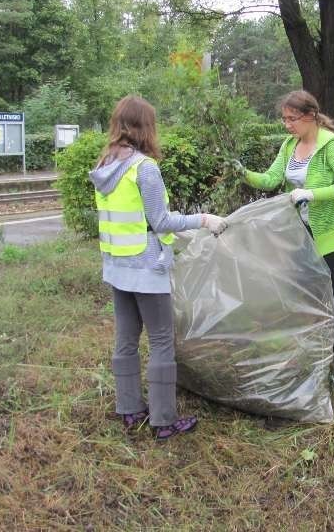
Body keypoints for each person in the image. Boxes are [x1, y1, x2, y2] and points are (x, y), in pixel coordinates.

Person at [89, 95, 228, 441]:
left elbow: (138, 220)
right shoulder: (143, 167)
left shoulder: (106, 163)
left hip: (117, 265)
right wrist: (204, 219)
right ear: (144, 126)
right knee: (163, 341)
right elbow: (160, 219)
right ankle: (164, 420)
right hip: (147, 268)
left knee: (126, 340)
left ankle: (129, 409)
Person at [231, 90, 334, 386]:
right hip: (301, 232)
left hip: (333, 233)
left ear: (310, 116)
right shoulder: (289, 145)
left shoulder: (332, 145)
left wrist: (311, 194)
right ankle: (311, 356)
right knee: (300, 294)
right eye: (284, 119)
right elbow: (271, 179)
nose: (287, 125)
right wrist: (242, 172)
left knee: (329, 297)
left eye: (292, 119)